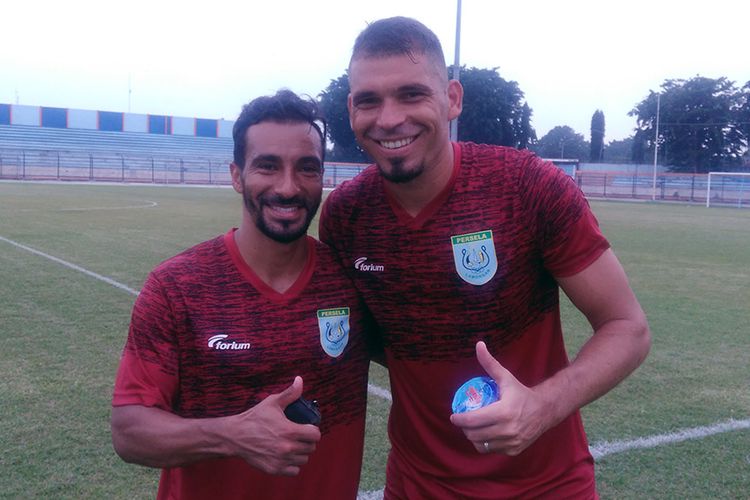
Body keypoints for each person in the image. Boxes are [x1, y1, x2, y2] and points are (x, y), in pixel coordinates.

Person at [319, 16, 651, 499]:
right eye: (369, 100)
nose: (389, 118)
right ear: (351, 110)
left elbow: (628, 328)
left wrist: (540, 407)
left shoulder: (527, 187)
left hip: (546, 486)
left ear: (452, 98)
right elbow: (365, 340)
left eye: (412, 94)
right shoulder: (346, 216)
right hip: (417, 487)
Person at [111, 90, 370, 500]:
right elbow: (129, 432)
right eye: (267, 166)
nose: (288, 187)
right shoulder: (175, 287)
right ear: (236, 175)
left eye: (307, 168)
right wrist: (231, 435)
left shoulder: (351, 281)